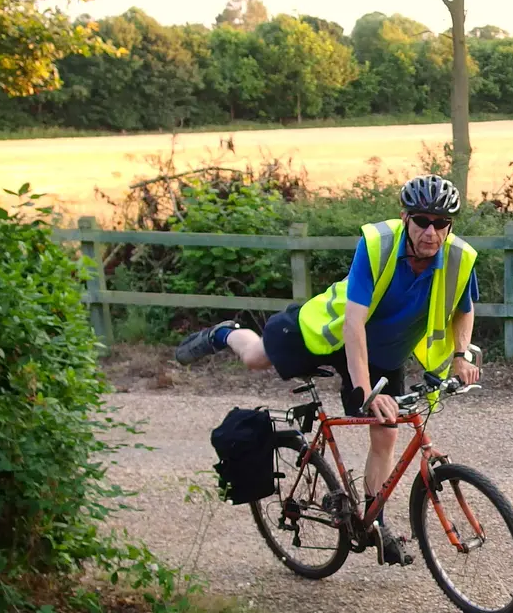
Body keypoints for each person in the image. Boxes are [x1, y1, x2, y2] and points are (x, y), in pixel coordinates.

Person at [175, 174, 482, 564]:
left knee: (386, 433)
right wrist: (366, 390)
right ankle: (225, 334)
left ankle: (375, 523)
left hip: (383, 350)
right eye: (423, 220)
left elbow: (463, 309)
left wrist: (461, 355)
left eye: (441, 224)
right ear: (405, 217)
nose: (431, 232)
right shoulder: (377, 245)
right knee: (256, 358)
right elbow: (353, 325)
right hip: (329, 330)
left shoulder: (459, 258)